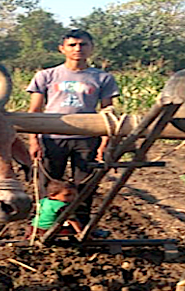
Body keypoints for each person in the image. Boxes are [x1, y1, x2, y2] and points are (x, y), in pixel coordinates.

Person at [27, 29, 120, 225]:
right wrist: (33, 140)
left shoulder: (103, 78)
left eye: (83, 45)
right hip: (52, 138)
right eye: (72, 45)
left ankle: (80, 226)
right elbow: (34, 110)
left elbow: (107, 113)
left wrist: (105, 143)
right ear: (62, 49)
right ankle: (46, 225)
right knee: (49, 185)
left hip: (87, 139)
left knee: (85, 185)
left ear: (91, 48)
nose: (78, 49)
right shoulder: (46, 75)